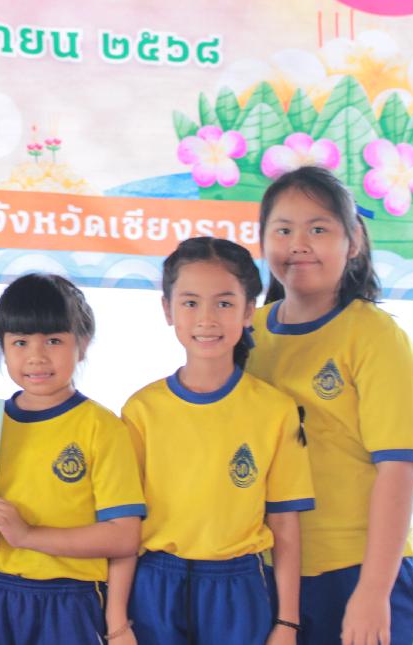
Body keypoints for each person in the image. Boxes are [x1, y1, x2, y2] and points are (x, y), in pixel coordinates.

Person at [246, 166, 413, 645]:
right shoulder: (247, 333)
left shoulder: (374, 336)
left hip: (355, 571)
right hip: (268, 569)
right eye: (283, 230)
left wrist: (373, 592)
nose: (299, 244)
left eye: (318, 229)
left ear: (353, 241)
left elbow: (399, 469)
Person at [111, 237, 314, 645]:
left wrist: (287, 623)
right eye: (190, 303)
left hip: (238, 588)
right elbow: (124, 525)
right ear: (168, 310)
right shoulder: (141, 409)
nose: (206, 319)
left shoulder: (275, 410)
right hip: (156, 585)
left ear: (248, 311)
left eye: (223, 303)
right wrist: (117, 621)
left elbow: (285, 524)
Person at [0, 273, 144, 645]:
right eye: (20, 342)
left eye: (53, 340)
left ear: (83, 344)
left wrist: (29, 536)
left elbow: (123, 536)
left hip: (70, 602)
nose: (36, 356)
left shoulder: (103, 428)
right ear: (2, 347)